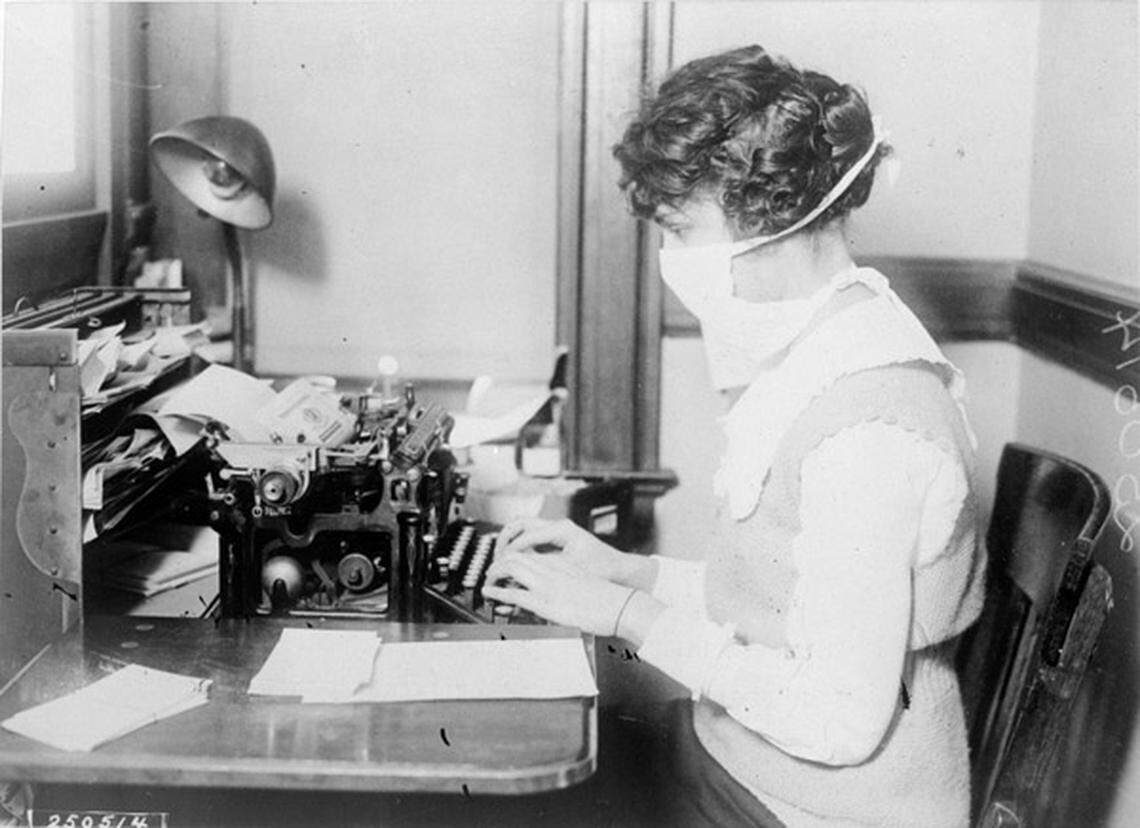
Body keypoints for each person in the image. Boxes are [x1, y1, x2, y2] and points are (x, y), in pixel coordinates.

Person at [483, 44, 985, 828]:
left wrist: (626, 618)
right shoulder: (821, 354)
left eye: (681, 230)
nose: (670, 260)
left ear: (774, 217)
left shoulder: (870, 429)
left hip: (820, 809)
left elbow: (837, 721)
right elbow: (784, 601)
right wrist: (628, 575)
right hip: (751, 767)